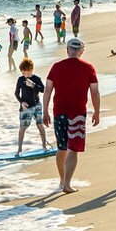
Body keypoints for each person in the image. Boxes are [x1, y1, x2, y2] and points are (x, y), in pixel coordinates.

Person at [42, 38, 101, 194]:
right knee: (73, 148)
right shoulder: (88, 68)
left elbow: (48, 90)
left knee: (62, 147)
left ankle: (62, 180)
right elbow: (95, 93)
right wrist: (96, 112)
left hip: (59, 112)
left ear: (67, 50)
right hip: (77, 114)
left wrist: (45, 111)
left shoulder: (56, 67)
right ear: (82, 51)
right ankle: (67, 184)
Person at [13, 59, 50, 153]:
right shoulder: (20, 79)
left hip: (37, 105)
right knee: (23, 127)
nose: (22, 73)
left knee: (40, 125)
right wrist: (21, 102)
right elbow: (16, 93)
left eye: (23, 71)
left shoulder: (36, 79)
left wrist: (33, 85)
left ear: (29, 70)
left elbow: (43, 90)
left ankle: (44, 146)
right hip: (26, 107)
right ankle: (19, 150)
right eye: (21, 71)